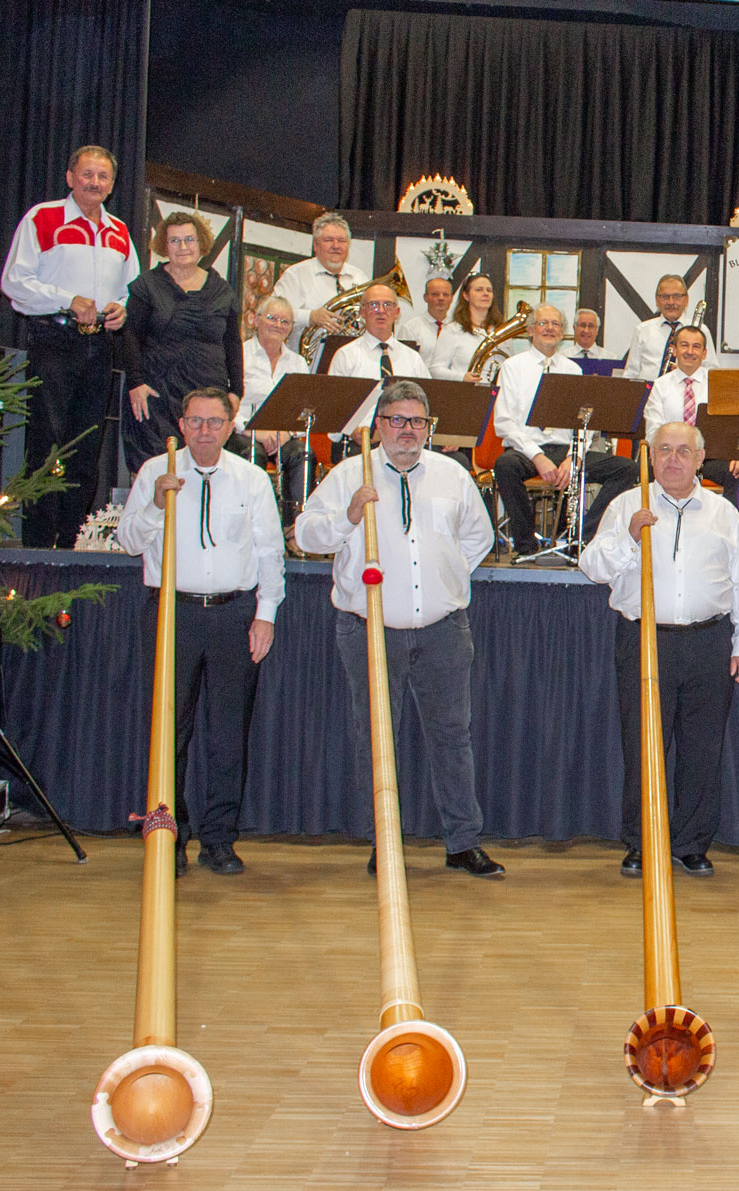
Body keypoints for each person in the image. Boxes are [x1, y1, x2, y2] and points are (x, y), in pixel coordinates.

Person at [294, 380, 504, 878]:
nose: (407, 430)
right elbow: (305, 535)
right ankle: (384, 841)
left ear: (428, 428)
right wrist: (348, 516)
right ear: (380, 426)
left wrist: (443, 581)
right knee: (377, 738)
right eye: (397, 420)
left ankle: (462, 842)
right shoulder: (351, 474)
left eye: (417, 422)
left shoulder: (452, 476)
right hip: (369, 628)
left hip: (443, 630)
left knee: (453, 736)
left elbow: (479, 537)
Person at [581, 421, 739, 879]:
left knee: (703, 750)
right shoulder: (627, 504)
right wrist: (629, 537)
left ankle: (690, 843)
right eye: (665, 449)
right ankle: (642, 843)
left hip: (708, 641)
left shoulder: (723, 512)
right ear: (650, 455)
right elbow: (591, 567)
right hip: (644, 638)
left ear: (701, 459)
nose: (674, 459)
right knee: (645, 746)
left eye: (684, 451)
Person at [115, 387, 284, 877]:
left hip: (234, 614)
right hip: (171, 611)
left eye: (215, 422)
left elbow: (270, 551)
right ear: (182, 425)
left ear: (231, 426)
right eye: (196, 421)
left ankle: (219, 839)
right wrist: (154, 505)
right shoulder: (155, 470)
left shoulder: (251, 479)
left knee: (229, 734)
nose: (205, 431)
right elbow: (128, 542)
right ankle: (170, 835)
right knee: (170, 731)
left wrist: (265, 613)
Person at [0, 145, 139, 547]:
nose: (94, 183)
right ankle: (40, 547)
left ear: (112, 185)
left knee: (87, 448)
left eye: (103, 177)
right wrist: (67, 299)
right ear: (70, 177)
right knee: (46, 444)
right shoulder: (43, 218)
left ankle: (75, 543)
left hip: (99, 349)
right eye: (87, 174)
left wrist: (120, 309)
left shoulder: (120, 231)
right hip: (54, 340)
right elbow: (14, 281)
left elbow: (130, 290)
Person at [491, 304, 638, 557]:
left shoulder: (573, 370)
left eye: (555, 324)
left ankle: (583, 537)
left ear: (562, 333)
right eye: (543, 323)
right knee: (505, 466)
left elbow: (586, 423)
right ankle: (526, 545)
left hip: (566, 452)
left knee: (627, 469)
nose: (549, 328)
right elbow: (504, 422)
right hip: (527, 452)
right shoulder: (512, 367)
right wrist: (538, 457)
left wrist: (575, 457)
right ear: (530, 331)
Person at [120, 213, 243, 472]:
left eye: (189, 239)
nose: (183, 247)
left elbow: (232, 342)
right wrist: (136, 383)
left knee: (202, 468)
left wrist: (236, 391)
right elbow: (129, 336)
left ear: (201, 244)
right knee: (158, 471)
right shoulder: (148, 285)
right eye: (174, 241)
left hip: (208, 394)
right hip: (158, 394)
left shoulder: (221, 289)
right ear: (164, 246)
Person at [326, 283, 430, 447]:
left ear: (396, 313)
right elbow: (332, 407)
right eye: (373, 304)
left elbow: (428, 402)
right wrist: (352, 431)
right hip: (360, 441)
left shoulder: (413, 358)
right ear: (362, 312)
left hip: (405, 439)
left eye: (387, 304)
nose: (381, 310)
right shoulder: (346, 355)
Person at [238, 295, 311, 522]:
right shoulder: (239, 355)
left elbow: (305, 410)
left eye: (285, 321)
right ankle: (251, 523)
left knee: (302, 454)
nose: (278, 325)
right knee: (253, 454)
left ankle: (294, 527)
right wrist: (251, 430)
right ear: (256, 319)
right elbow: (226, 404)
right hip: (244, 433)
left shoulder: (298, 363)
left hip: (283, 436)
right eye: (272, 318)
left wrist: (287, 434)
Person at [641, 325, 739, 490]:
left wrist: (737, 456)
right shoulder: (660, 385)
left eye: (696, 347)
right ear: (674, 350)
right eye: (684, 345)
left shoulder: (718, 383)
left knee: (736, 472)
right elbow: (653, 431)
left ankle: (728, 516)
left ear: (704, 353)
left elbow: (731, 427)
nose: (690, 351)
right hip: (670, 456)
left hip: (708, 458)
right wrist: (676, 454)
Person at [272, 213, 365, 363]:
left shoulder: (359, 277)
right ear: (315, 245)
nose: (336, 246)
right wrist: (311, 317)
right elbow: (274, 314)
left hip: (350, 364)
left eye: (341, 241)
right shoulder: (296, 275)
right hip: (307, 365)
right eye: (328, 240)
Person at [623, 274, 718, 380]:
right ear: (657, 301)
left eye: (677, 296)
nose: (671, 302)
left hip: (686, 392)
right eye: (665, 297)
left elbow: (711, 372)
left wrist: (688, 372)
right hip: (648, 393)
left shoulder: (700, 331)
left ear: (686, 300)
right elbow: (631, 373)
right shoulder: (642, 330)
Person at [427, 273, 513, 381]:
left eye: (489, 290)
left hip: (499, 394)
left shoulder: (502, 331)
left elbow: (511, 365)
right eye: (479, 290)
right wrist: (461, 377)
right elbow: (435, 369)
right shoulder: (452, 330)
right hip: (467, 393)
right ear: (466, 296)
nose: (485, 294)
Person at [397, 276, 457, 362]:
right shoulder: (410, 329)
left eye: (445, 294)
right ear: (425, 297)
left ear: (451, 298)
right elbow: (404, 362)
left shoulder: (459, 328)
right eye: (435, 294)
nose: (441, 298)